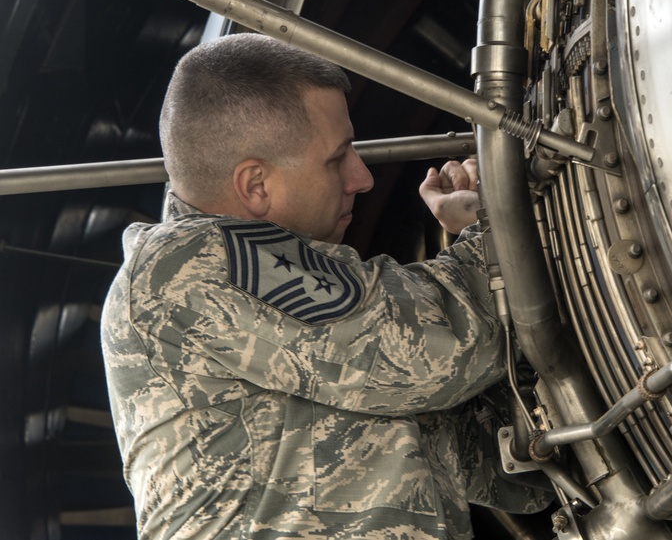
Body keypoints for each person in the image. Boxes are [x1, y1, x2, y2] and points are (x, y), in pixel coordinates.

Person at [101, 33, 550, 540]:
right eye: (338, 158)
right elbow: (435, 353)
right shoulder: (186, 264)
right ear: (256, 186)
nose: (362, 178)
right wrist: (506, 217)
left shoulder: (289, 314)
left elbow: (510, 471)